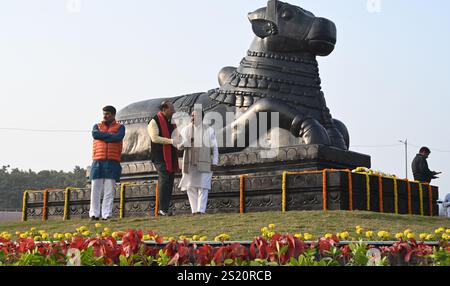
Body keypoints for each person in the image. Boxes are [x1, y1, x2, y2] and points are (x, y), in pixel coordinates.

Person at [178, 109, 219, 215]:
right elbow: (179, 146)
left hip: (205, 162)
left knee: (203, 186)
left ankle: (201, 210)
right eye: (192, 116)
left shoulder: (209, 130)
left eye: (195, 116)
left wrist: (215, 162)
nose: (192, 118)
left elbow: (214, 147)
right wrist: (188, 141)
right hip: (190, 162)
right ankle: (194, 210)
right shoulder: (185, 130)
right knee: (190, 186)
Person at [89, 106, 125, 221]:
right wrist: (111, 137)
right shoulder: (97, 126)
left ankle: (106, 214)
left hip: (112, 160)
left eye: (108, 114)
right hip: (98, 160)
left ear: (113, 115)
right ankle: (94, 214)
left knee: (109, 189)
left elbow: (119, 137)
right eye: (104, 113)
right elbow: (95, 135)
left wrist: (104, 136)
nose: (105, 116)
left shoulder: (120, 127)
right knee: (95, 189)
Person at [148, 101, 180, 216]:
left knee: (169, 181)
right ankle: (161, 209)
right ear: (164, 109)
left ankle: (165, 209)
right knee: (164, 180)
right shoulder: (154, 121)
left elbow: (176, 135)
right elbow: (154, 138)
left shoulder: (171, 122)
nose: (174, 112)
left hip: (170, 156)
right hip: (160, 157)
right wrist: (171, 141)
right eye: (172, 109)